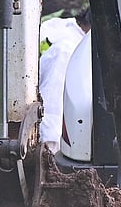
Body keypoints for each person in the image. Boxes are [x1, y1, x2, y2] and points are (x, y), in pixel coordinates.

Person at [38, 8, 90, 153]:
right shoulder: (69, 50)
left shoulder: (58, 26)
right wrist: (51, 150)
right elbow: (52, 104)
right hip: (49, 141)